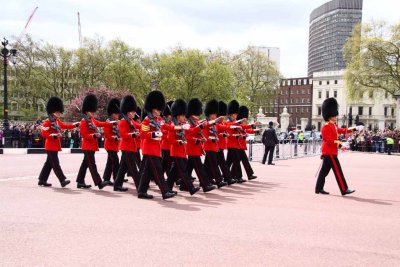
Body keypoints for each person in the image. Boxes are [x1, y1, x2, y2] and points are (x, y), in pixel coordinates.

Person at [315, 98, 361, 196]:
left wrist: (355, 128)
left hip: (331, 152)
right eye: (334, 115)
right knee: (338, 170)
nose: (336, 116)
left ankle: (318, 188)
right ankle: (344, 189)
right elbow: (328, 140)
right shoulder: (326, 127)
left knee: (324, 172)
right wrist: (340, 144)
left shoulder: (333, 126)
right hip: (329, 152)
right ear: (329, 116)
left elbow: (343, 130)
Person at [137, 90, 176, 200]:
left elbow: (166, 128)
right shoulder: (146, 121)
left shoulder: (158, 120)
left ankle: (141, 192)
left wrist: (179, 127)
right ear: (152, 109)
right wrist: (154, 134)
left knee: (147, 172)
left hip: (155, 148)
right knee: (158, 170)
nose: (160, 111)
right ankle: (165, 191)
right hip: (150, 149)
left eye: (160, 109)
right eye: (158, 109)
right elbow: (143, 134)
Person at [38, 96, 79, 187]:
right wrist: (52, 136)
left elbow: (65, 126)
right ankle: (62, 179)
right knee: (55, 164)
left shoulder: (57, 121)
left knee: (48, 164)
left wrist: (75, 125)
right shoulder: (47, 122)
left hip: (55, 146)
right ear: (52, 112)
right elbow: (44, 133)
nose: (59, 113)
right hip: (50, 146)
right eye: (57, 112)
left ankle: (42, 180)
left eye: (59, 111)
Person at [76, 94, 110, 190]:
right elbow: (85, 135)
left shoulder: (92, 120)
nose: (94, 113)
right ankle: (99, 183)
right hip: (87, 146)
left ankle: (80, 181)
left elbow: (100, 123)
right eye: (92, 111)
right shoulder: (83, 122)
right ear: (87, 111)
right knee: (92, 165)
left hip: (91, 146)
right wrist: (94, 135)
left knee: (85, 164)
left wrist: (109, 123)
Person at [166, 99, 200, 195]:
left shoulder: (182, 125)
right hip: (176, 151)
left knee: (173, 172)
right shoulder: (173, 125)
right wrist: (179, 142)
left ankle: (168, 187)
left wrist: (200, 127)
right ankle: (191, 188)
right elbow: (170, 139)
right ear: (178, 116)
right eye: (183, 116)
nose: (184, 117)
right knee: (184, 171)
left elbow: (191, 131)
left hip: (181, 151)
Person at [113, 95, 141, 192]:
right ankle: (140, 188)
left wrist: (147, 126)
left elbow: (139, 126)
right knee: (133, 169)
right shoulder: (122, 122)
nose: (134, 114)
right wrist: (133, 134)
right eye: (133, 112)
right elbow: (124, 135)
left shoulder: (131, 121)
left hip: (130, 147)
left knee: (122, 168)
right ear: (128, 112)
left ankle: (117, 185)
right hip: (126, 147)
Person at [102, 98, 121, 186]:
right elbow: (107, 135)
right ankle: (116, 179)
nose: (118, 115)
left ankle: (106, 178)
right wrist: (115, 138)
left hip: (114, 145)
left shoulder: (117, 122)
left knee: (110, 162)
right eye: (116, 113)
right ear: (112, 113)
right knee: (115, 162)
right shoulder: (108, 121)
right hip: (110, 145)